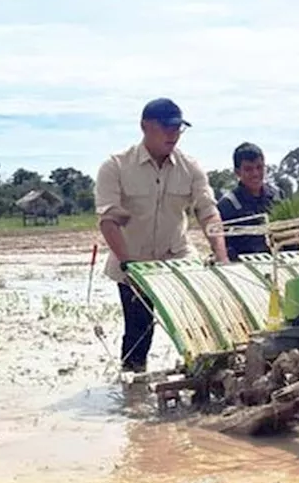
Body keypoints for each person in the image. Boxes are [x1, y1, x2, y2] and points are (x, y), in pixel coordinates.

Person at [95, 98, 231, 373]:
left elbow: (208, 213)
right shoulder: (116, 167)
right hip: (133, 261)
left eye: (178, 128)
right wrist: (128, 264)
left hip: (178, 257)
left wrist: (221, 255)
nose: (173, 134)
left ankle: (202, 378)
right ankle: (133, 387)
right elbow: (108, 220)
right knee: (139, 332)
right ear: (145, 127)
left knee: (198, 321)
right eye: (167, 127)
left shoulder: (190, 167)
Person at [216, 142, 295, 260]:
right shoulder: (228, 205)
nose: (255, 174)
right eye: (248, 169)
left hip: (281, 264)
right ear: (237, 172)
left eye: (259, 167)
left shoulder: (278, 197)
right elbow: (222, 246)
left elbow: (292, 236)